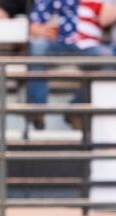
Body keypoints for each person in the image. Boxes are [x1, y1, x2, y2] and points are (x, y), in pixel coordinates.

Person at [25, 0, 110, 129]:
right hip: (57, 41)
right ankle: (37, 109)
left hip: (87, 44)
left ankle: (76, 109)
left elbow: (106, 19)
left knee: (106, 57)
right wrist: (41, 30)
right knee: (38, 46)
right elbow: (33, 25)